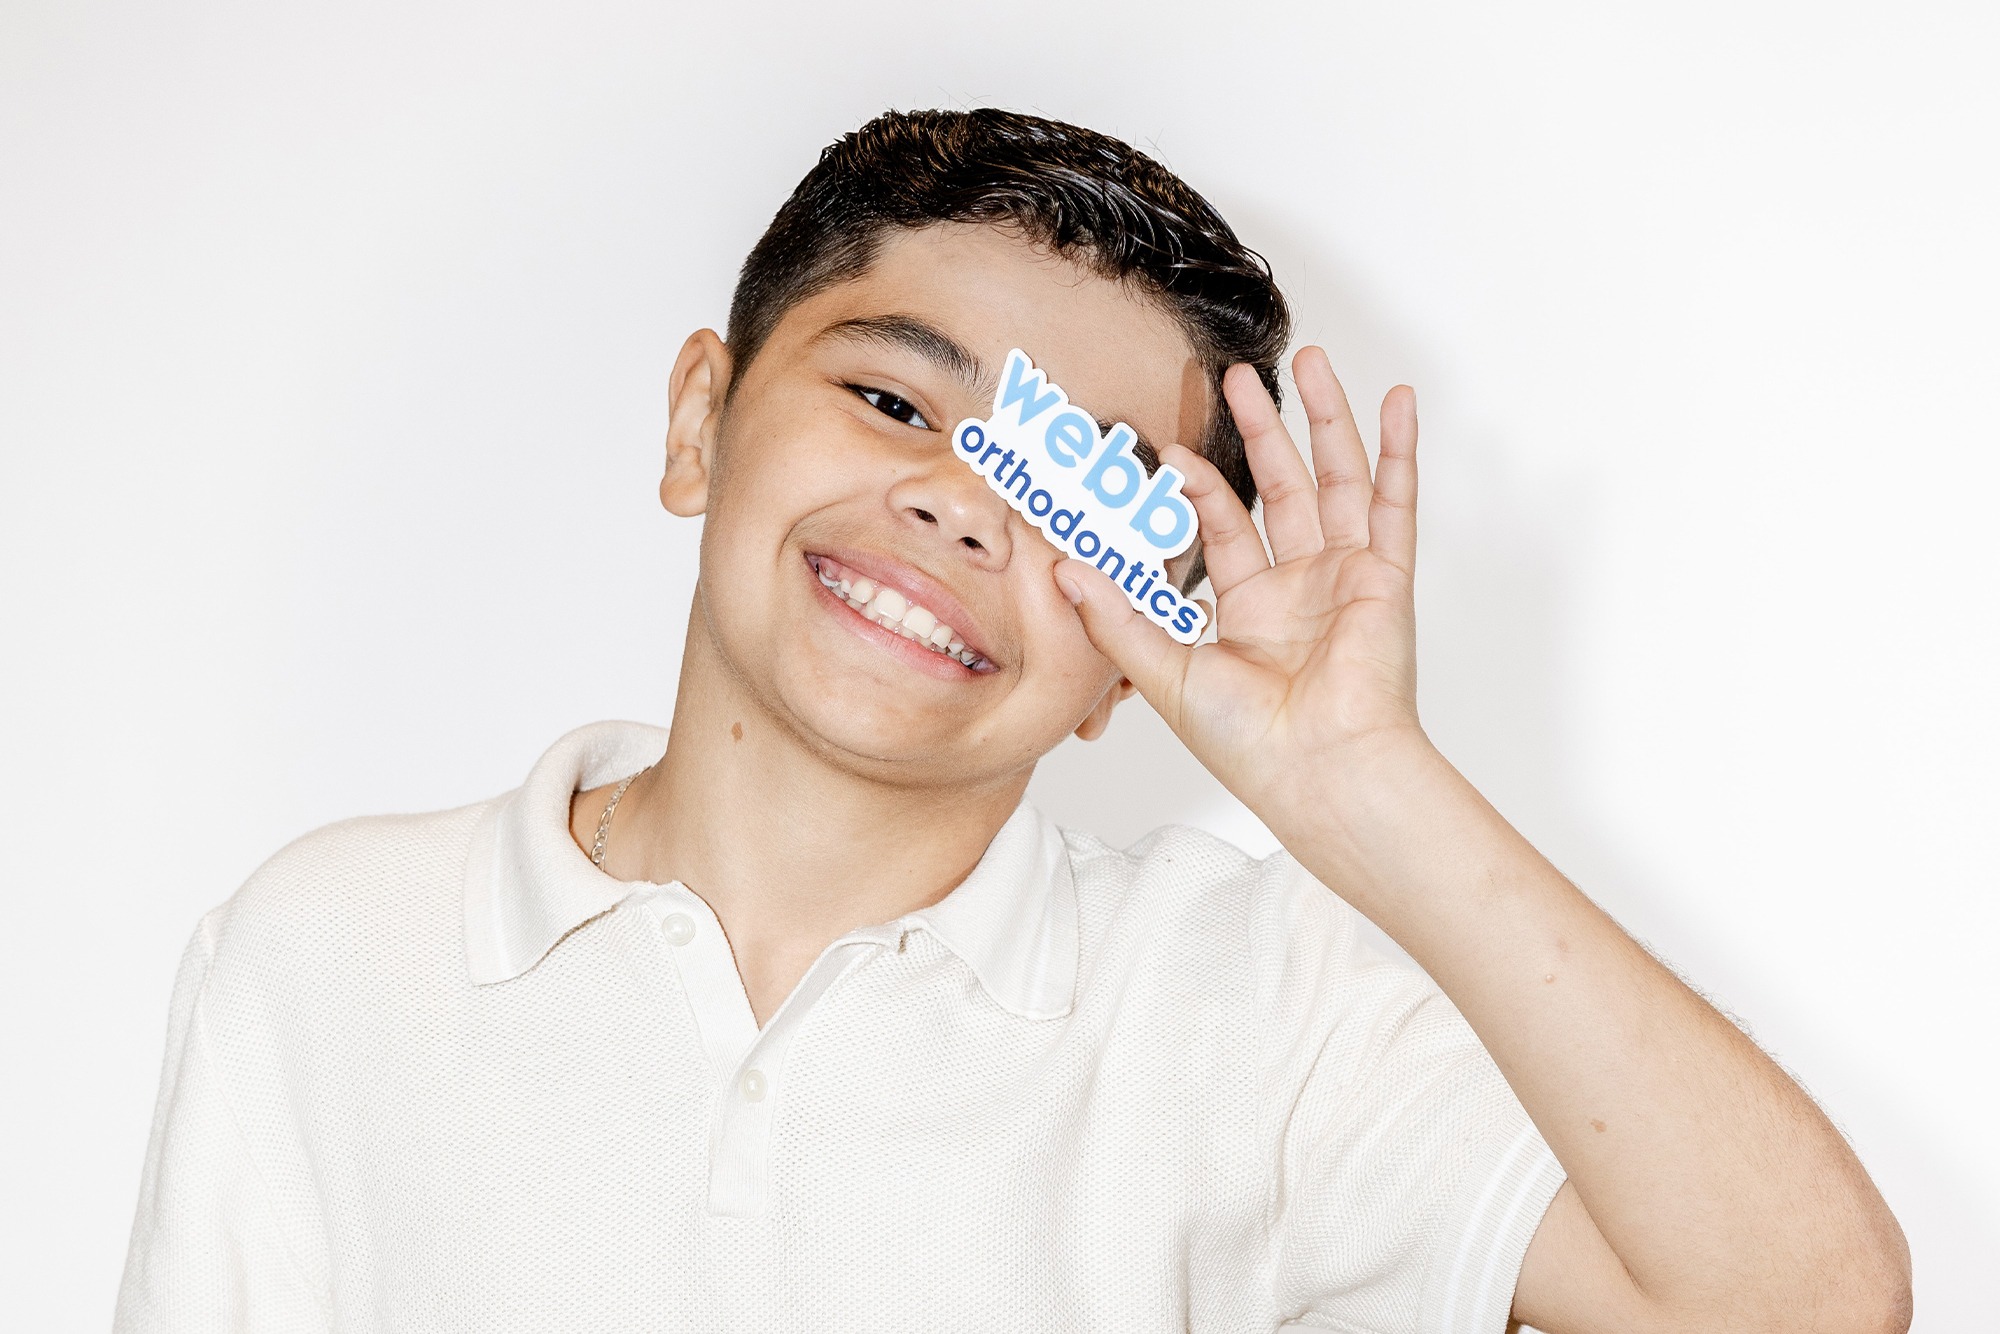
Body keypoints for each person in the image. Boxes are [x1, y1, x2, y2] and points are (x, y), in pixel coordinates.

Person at [112, 108, 1911, 1333]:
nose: (964, 509)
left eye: (1071, 499)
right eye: (898, 400)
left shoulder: (1251, 1009)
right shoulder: (325, 950)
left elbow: (1804, 1302)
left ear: (1134, 652)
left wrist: (1364, 786)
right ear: (699, 421)